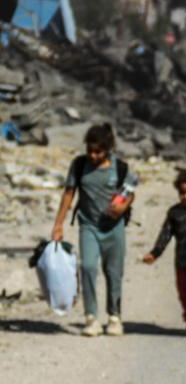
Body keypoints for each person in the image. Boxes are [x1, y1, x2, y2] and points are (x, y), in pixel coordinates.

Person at [51, 124, 132, 337]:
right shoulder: (79, 165)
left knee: (114, 273)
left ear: (109, 149)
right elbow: (69, 193)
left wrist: (123, 206)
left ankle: (114, 317)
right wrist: (58, 224)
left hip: (114, 228)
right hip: (88, 226)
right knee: (87, 267)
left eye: (98, 151)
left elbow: (130, 190)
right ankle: (91, 317)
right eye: (90, 150)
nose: (93, 155)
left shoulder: (120, 167)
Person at [142, 167, 186, 336]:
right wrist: (155, 253)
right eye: (183, 193)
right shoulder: (174, 213)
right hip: (182, 262)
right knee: (185, 294)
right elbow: (165, 235)